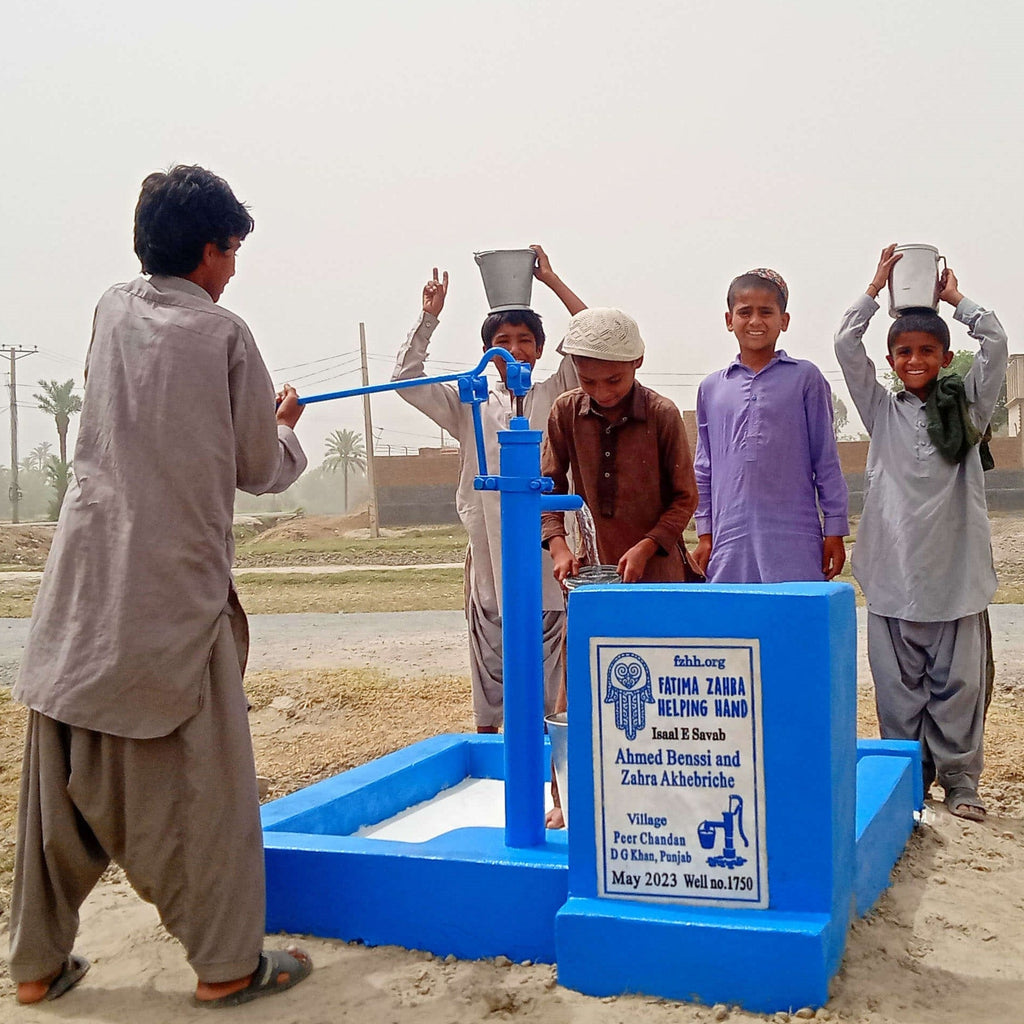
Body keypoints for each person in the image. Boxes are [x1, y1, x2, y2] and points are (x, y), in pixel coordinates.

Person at [9, 165, 313, 1007]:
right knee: (207, 795)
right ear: (212, 250)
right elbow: (258, 466)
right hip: (171, 599)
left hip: (79, 592)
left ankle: (35, 969)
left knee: (51, 800)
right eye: (234, 250)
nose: (236, 269)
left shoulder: (112, 309)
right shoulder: (224, 334)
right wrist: (285, 429)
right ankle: (225, 967)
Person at [834, 244, 1008, 823]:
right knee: (898, 693)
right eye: (903, 351)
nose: (915, 360)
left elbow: (999, 342)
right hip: (891, 578)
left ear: (944, 356)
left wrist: (956, 300)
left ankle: (961, 784)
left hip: (956, 578)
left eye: (926, 351)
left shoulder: (970, 408)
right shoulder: (881, 412)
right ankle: (908, 779)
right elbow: (844, 345)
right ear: (890, 360)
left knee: (958, 692)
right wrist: (875, 285)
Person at [391, 245, 585, 732]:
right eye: (504, 339)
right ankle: (489, 743)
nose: (515, 349)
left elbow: (593, 335)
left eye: (524, 340)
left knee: (548, 648)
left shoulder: (557, 393)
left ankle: (545, 750)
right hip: (488, 545)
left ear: (540, 349)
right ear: (488, 352)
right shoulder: (470, 400)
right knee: (491, 650)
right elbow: (405, 380)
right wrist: (428, 318)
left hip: (549, 546)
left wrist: (552, 280)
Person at [541, 308, 700, 827]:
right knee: (578, 688)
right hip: (592, 581)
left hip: (657, 578)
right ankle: (568, 797)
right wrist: (558, 545)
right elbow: (548, 491)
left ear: (638, 362)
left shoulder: (661, 414)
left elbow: (684, 500)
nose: (603, 390)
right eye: (590, 380)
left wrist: (650, 544)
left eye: (614, 378)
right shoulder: (565, 413)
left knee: (658, 685)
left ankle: (660, 798)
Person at [693, 267, 849, 582]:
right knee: (735, 625)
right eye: (744, 312)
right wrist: (705, 533)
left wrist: (834, 529)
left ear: (784, 320)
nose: (755, 321)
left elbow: (826, 459)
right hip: (730, 538)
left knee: (793, 624)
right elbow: (703, 467)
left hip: (795, 536)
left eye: (766, 312)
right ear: (729, 320)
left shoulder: (805, 378)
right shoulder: (712, 387)